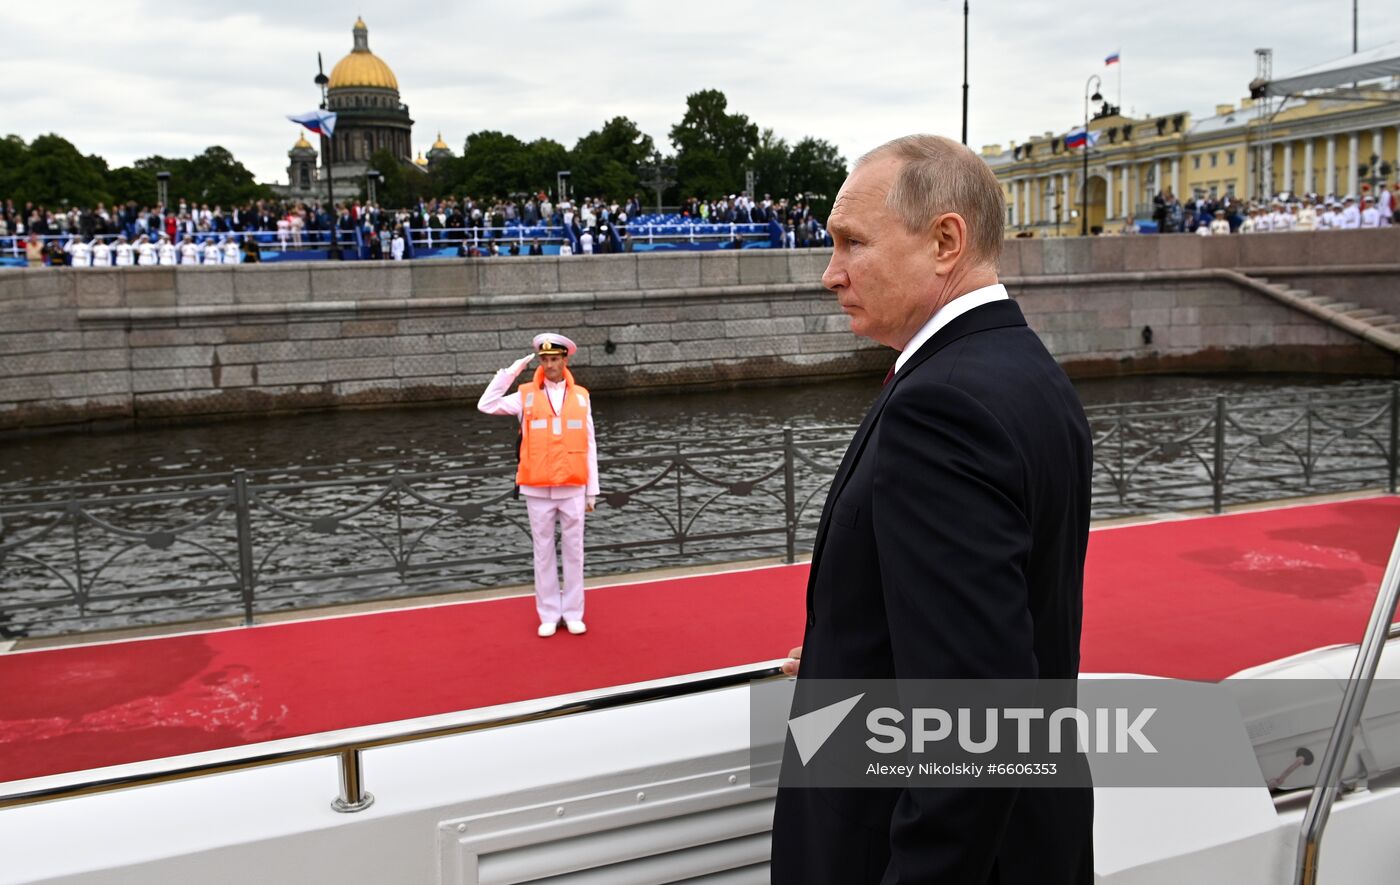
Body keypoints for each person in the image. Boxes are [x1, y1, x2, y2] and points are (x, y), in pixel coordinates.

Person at [770, 134, 1094, 884]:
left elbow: (977, 718)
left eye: (853, 242)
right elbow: (995, 622)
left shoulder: (941, 405)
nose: (831, 273)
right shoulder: (1028, 372)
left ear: (946, 240)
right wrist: (842, 656)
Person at [477, 333, 600, 637]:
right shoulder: (525, 395)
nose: (550, 364)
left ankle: (572, 612)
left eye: (555, 359)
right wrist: (510, 372)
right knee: (543, 552)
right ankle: (548, 613)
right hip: (537, 488)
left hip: (572, 486)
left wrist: (592, 490)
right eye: (545, 360)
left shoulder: (582, 396)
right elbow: (486, 404)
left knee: (574, 552)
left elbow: (590, 444)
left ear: (564, 360)